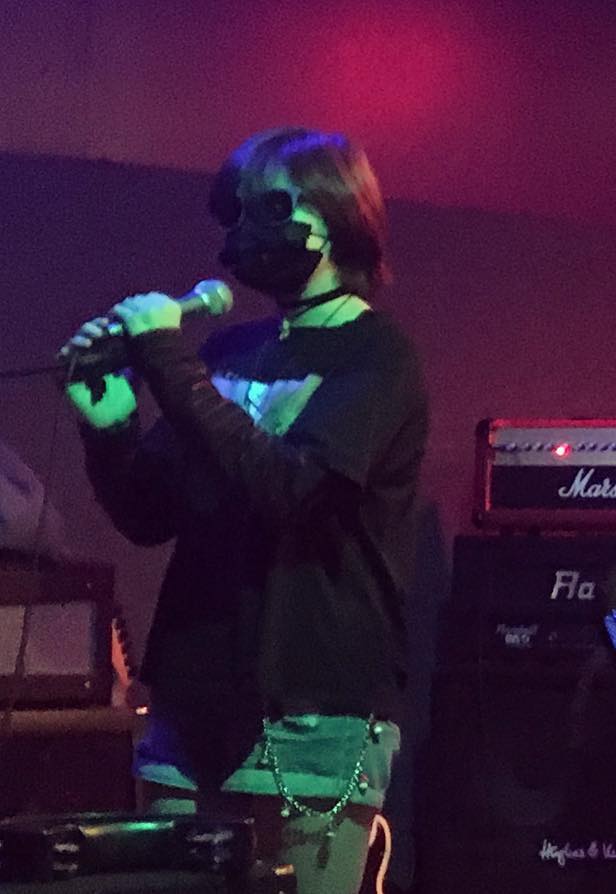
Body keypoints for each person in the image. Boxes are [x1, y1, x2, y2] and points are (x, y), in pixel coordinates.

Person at [62, 127, 427, 894]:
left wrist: (169, 362)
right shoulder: (228, 353)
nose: (243, 230)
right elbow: (148, 514)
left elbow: (293, 491)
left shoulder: (377, 357)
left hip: (313, 706)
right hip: (190, 697)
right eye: (234, 213)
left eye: (269, 207)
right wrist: (110, 425)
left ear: (337, 214)